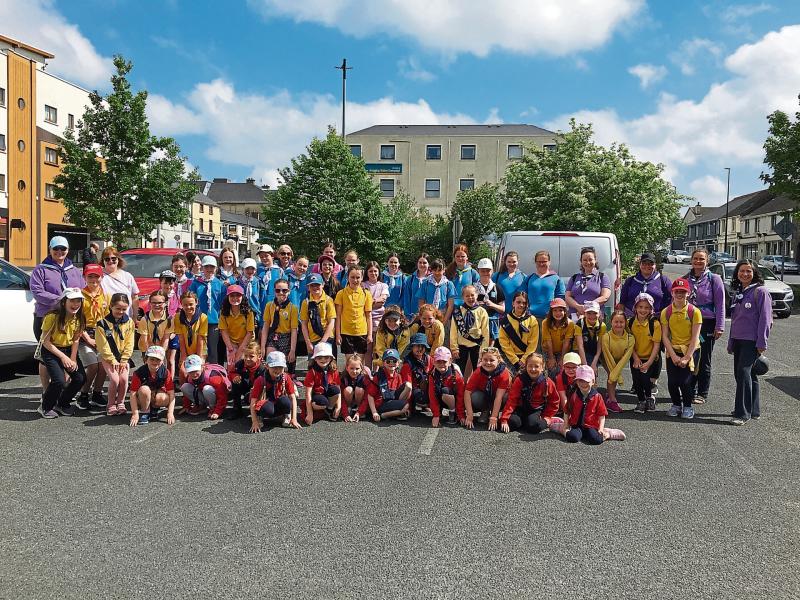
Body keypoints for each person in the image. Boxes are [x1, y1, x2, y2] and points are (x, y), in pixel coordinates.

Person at [30, 236, 86, 390]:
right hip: (46, 317)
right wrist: (61, 300)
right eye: (56, 248)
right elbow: (37, 292)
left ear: (68, 250)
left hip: (69, 319)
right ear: (50, 249)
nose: (59, 252)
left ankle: (60, 389)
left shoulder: (74, 270)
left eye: (63, 249)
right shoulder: (40, 269)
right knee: (46, 357)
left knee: (66, 351)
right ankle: (46, 391)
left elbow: (82, 291)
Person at [727, 259, 773, 426]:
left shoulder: (760, 292)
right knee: (747, 375)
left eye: (748, 271)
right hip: (738, 339)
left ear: (755, 274)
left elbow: (766, 319)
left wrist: (762, 343)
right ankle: (753, 410)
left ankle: (742, 414)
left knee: (743, 373)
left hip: (751, 341)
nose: (745, 274)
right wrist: (731, 342)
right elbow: (735, 320)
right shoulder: (740, 291)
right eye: (741, 271)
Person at [685, 248, 725, 405]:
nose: (698, 261)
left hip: (707, 323)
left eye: (702, 259)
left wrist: (719, 326)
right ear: (691, 260)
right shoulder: (686, 279)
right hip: (688, 322)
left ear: (707, 261)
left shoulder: (714, 279)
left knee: (704, 359)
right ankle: (690, 389)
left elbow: (720, 304)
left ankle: (702, 392)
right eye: (695, 258)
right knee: (690, 356)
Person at [37, 287, 86, 418]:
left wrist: (73, 359)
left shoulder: (80, 318)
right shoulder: (52, 317)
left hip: (69, 349)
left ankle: (62, 403)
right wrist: (64, 357)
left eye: (78, 301)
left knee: (80, 378)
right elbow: (45, 342)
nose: (76, 304)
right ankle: (45, 407)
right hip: (51, 350)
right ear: (64, 302)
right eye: (72, 301)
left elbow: (76, 340)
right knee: (59, 381)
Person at [660, 278, 703, 419]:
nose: (680, 294)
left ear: (688, 293)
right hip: (673, 350)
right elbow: (665, 336)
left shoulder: (694, 312)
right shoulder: (666, 312)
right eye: (677, 291)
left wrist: (686, 357)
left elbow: (695, 337)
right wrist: (673, 355)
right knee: (672, 382)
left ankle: (688, 406)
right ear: (672, 293)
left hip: (690, 350)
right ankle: (676, 404)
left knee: (685, 382)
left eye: (683, 292)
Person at [556, 365, 625, 444]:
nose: (584, 384)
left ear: (593, 381)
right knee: (572, 437)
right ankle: (561, 428)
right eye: (580, 381)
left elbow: (601, 415)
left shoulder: (597, 396)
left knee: (596, 440)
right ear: (576, 382)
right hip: (576, 425)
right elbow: (567, 411)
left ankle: (608, 433)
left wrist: (601, 429)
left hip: (591, 425)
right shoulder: (574, 394)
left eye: (587, 381)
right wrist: (566, 425)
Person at [76, 264, 109, 411]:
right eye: (90, 276)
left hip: (101, 334)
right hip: (85, 334)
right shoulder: (80, 296)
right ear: (84, 277)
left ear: (101, 277)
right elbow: (77, 321)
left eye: (96, 276)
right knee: (93, 365)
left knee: (103, 365)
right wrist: (88, 339)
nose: (93, 279)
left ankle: (97, 393)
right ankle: (83, 393)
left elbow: (109, 319)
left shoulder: (106, 295)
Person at [96, 293, 136, 415]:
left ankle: (121, 402)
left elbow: (130, 342)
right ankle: (111, 404)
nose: (120, 311)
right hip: (108, 358)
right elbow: (102, 345)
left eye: (124, 309)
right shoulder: (102, 324)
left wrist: (124, 359)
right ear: (111, 306)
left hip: (123, 357)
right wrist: (112, 360)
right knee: (114, 379)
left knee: (124, 379)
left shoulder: (129, 322)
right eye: (118, 308)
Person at [500, 353, 560, 434]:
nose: (533, 369)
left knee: (533, 427)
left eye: (536, 366)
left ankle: (550, 421)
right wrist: (504, 419)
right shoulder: (520, 380)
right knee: (511, 423)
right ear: (526, 366)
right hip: (520, 408)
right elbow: (512, 400)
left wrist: (547, 417)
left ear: (542, 367)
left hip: (535, 410)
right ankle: (524, 422)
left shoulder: (547, 382)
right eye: (530, 366)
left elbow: (554, 401)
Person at [249, 350, 301, 432]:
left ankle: (286, 415)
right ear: (267, 366)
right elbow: (253, 402)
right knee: (268, 410)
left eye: (280, 367)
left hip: (278, 401)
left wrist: (294, 418)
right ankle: (259, 417)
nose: (277, 370)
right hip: (266, 403)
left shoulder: (286, 377)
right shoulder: (260, 380)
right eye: (274, 367)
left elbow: (293, 398)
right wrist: (254, 422)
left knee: (286, 401)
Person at [628, 293, 662, 413]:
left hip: (650, 357)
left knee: (646, 381)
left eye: (647, 307)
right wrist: (636, 358)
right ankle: (641, 400)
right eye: (640, 307)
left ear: (651, 309)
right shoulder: (630, 322)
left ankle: (649, 398)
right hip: (635, 356)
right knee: (636, 381)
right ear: (635, 307)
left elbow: (656, 345)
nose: (643, 310)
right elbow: (629, 343)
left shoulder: (655, 324)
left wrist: (649, 362)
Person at [463, 346, 511, 431]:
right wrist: (469, 415)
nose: (488, 363)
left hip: (498, 397)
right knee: (474, 396)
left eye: (492, 360)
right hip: (484, 396)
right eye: (485, 360)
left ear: (498, 360)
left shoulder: (504, 373)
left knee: (506, 396)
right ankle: (485, 410)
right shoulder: (478, 372)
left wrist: (493, 418)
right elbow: (467, 392)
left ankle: (494, 412)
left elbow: (498, 397)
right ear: (481, 360)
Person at [190, 256, 225, 364]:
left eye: (212, 267)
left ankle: (213, 374)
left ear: (216, 268)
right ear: (202, 268)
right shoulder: (196, 283)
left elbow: (223, 304)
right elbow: (191, 299)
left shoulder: (220, 284)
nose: (209, 269)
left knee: (212, 349)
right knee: (198, 347)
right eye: (206, 267)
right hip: (198, 320)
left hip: (214, 322)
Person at [128, 346, 175, 426]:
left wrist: (170, 413)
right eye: (152, 359)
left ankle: (154, 409)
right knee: (144, 389)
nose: (155, 362)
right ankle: (145, 411)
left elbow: (171, 393)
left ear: (162, 361)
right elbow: (132, 394)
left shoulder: (165, 372)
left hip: (156, 395)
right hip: (142, 397)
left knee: (163, 397)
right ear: (146, 360)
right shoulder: (139, 373)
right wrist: (135, 414)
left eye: (158, 359)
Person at [449, 285, 490, 377]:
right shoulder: (457, 312)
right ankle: (459, 389)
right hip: (461, 346)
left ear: (476, 295)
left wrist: (483, 350)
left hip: (477, 346)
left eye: (472, 295)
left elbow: (485, 332)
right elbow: (453, 331)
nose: (470, 298)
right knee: (459, 371)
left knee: (479, 371)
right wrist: (454, 348)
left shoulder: (482, 311)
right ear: (463, 297)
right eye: (467, 296)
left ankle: (477, 389)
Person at [335, 266, 373, 361]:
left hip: (361, 331)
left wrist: (369, 334)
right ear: (348, 277)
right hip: (346, 332)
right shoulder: (341, 293)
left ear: (362, 278)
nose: (355, 280)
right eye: (352, 277)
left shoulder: (366, 294)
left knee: (359, 362)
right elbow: (338, 316)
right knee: (349, 361)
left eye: (358, 277)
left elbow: (369, 316)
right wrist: (338, 334)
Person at [362, 348, 412, 421]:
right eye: (388, 361)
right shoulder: (379, 377)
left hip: (391, 400)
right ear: (383, 363)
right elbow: (370, 396)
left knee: (408, 385)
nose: (391, 363)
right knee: (405, 405)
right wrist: (374, 412)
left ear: (398, 363)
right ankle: (384, 415)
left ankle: (398, 410)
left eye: (394, 361)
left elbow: (399, 393)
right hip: (381, 403)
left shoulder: (398, 376)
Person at [261, 279, 299, 375]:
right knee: (271, 363)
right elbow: (265, 327)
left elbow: (294, 330)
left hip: (286, 338)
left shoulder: (293, 308)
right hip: (273, 336)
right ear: (274, 291)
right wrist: (262, 347)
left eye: (284, 290)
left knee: (284, 369)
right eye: (278, 290)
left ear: (289, 291)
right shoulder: (269, 306)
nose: (281, 293)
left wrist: (293, 350)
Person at [617, 252, 672, 317]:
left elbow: (671, 302)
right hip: (632, 320)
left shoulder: (663, 281)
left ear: (655, 265)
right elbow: (622, 303)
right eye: (644, 263)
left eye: (650, 264)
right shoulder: (630, 281)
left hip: (656, 321)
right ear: (640, 265)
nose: (647, 266)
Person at [497, 290, 539, 375]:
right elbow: (504, 343)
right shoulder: (506, 320)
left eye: (524, 303)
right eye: (518, 302)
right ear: (513, 303)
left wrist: (524, 360)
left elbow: (533, 343)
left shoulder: (532, 320)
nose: (521, 305)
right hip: (509, 357)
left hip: (527, 357)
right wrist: (515, 360)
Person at [601, 310, 635, 413]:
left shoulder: (630, 338)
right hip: (607, 359)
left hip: (620, 361)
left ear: (625, 323)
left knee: (614, 375)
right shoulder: (606, 337)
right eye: (616, 322)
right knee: (612, 376)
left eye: (621, 322)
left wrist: (617, 373)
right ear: (611, 322)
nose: (619, 324)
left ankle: (610, 395)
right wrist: (617, 376)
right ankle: (612, 400)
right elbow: (608, 357)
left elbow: (625, 358)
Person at [565, 247, 611, 321]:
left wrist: (587, 307)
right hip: (574, 317)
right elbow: (567, 297)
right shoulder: (574, 277)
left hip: (594, 318)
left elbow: (605, 297)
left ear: (595, 260)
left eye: (590, 259)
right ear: (581, 261)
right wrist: (578, 307)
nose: (588, 262)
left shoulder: (602, 277)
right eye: (585, 260)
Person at [180, 354, 230, 420]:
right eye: (191, 371)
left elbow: (223, 395)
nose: (194, 374)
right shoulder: (189, 378)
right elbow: (186, 395)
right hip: (205, 394)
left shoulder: (212, 376)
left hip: (219, 395)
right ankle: (201, 406)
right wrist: (186, 406)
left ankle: (213, 408)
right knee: (184, 386)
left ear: (202, 367)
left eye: (196, 370)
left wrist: (218, 411)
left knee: (207, 389)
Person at [302, 342, 342, 425]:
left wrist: (338, 407)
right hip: (317, 395)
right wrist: (310, 413)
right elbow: (308, 393)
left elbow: (338, 388)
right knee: (323, 402)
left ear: (331, 358)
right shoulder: (312, 372)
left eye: (326, 357)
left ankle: (329, 409)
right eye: (319, 357)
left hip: (328, 393)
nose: (323, 360)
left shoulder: (333, 370)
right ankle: (317, 407)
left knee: (336, 390)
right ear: (315, 359)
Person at [173, 291, 208, 383]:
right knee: (183, 371)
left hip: (200, 350)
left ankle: (199, 389)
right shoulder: (177, 317)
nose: (188, 307)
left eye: (191, 304)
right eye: (185, 305)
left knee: (198, 371)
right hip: (186, 349)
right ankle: (184, 392)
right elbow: (180, 338)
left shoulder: (203, 317)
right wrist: (184, 357)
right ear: (181, 304)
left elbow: (201, 339)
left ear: (196, 302)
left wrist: (199, 358)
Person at [300, 273, 337, 358]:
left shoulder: (328, 300)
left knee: (329, 365)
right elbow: (304, 324)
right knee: (313, 366)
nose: (315, 287)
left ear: (323, 285)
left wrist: (323, 341)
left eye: (317, 285)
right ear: (308, 287)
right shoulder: (306, 302)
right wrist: (308, 342)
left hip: (327, 338)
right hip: (312, 339)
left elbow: (331, 322)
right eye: (312, 285)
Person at [428, 346, 465, 428]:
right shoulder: (432, 374)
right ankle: (439, 412)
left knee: (445, 390)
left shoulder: (456, 375)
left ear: (450, 361)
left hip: (452, 399)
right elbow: (432, 395)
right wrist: (436, 415)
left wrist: (461, 415)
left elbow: (460, 396)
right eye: (438, 361)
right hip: (440, 398)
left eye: (444, 361)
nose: (441, 364)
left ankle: (453, 412)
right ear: (434, 362)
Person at [523, 250, 565, 322]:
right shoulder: (529, 278)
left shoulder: (556, 278)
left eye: (544, 261)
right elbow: (521, 296)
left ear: (549, 262)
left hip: (549, 318)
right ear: (535, 263)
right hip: (530, 318)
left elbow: (560, 298)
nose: (541, 264)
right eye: (539, 262)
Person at [219, 285, 255, 367]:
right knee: (231, 365)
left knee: (243, 364)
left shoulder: (248, 312)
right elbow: (223, 331)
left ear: (242, 297)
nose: (235, 298)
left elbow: (249, 333)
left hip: (246, 342)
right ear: (228, 297)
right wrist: (231, 350)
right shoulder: (224, 312)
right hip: (232, 342)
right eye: (232, 295)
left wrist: (240, 351)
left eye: (238, 295)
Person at [228, 341, 266, 419]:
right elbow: (231, 372)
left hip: (257, 390)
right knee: (235, 383)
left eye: (251, 356)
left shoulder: (262, 369)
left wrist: (255, 390)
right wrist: (235, 376)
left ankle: (257, 410)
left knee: (250, 397)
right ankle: (237, 410)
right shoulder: (240, 364)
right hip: (245, 386)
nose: (248, 359)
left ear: (259, 356)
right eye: (245, 356)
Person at [99, 247, 139, 319]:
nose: (110, 261)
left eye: (113, 258)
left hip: (126, 318)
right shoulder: (98, 277)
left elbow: (135, 297)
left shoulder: (127, 276)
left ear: (118, 259)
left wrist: (135, 317)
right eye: (107, 259)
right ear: (103, 261)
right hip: (106, 319)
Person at [363, 261, 389, 368]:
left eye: (375, 271)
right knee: (368, 348)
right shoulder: (362, 285)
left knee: (378, 347)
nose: (373, 273)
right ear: (366, 272)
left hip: (380, 319)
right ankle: (368, 370)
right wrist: (374, 302)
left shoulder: (383, 285)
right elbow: (363, 302)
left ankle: (377, 371)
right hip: (366, 319)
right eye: (370, 271)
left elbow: (383, 299)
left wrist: (370, 302)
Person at [137, 290, 172, 368]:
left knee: (160, 369)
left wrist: (161, 354)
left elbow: (166, 338)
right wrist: (148, 356)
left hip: (161, 347)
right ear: (150, 303)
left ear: (166, 303)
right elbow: (144, 339)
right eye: (154, 303)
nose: (157, 305)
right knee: (148, 369)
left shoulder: (169, 319)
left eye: (160, 303)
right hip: (147, 348)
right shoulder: (144, 319)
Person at [541, 298, 575, 375]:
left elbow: (566, 343)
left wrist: (562, 358)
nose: (558, 313)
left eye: (560, 310)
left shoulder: (570, 324)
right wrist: (551, 358)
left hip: (562, 350)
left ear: (565, 311)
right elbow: (548, 341)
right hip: (548, 350)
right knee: (551, 368)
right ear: (551, 312)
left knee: (561, 369)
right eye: (555, 310)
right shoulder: (545, 323)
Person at [416, 258, 456, 324]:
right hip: (428, 314)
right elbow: (421, 303)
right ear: (431, 270)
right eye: (435, 270)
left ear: (444, 270)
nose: (437, 273)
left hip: (443, 314)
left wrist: (444, 321)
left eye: (439, 270)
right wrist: (424, 317)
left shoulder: (449, 284)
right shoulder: (425, 283)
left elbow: (450, 305)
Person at [475, 258, 505, 344]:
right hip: (477, 323)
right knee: (476, 350)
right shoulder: (473, 288)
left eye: (488, 271)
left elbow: (503, 309)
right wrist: (476, 305)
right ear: (478, 271)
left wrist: (492, 305)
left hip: (492, 323)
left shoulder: (497, 288)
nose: (485, 273)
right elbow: (467, 306)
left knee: (489, 350)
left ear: (492, 271)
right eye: (482, 271)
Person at [401, 333, 433, 412]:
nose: (420, 349)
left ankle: (428, 405)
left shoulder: (429, 359)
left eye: (422, 346)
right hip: (414, 390)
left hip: (426, 388)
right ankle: (411, 406)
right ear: (412, 347)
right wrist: (408, 407)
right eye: (417, 346)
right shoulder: (407, 364)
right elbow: (407, 386)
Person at [574, 301, 606, 377]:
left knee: (593, 370)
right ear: (584, 313)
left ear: (599, 313)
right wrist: (585, 365)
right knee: (585, 371)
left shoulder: (602, 325)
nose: (592, 316)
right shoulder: (579, 324)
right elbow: (580, 346)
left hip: (593, 350)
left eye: (595, 313)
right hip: (580, 350)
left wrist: (594, 363)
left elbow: (599, 346)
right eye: (589, 313)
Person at [445, 244, 479, 310]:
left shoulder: (473, 273)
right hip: (451, 307)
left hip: (467, 306)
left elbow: (478, 290)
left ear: (467, 257)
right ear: (454, 257)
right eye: (457, 256)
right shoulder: (448, 272)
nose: (460, 258)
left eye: (463, 256)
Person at [238, 258, 266, 334]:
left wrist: (262, 321)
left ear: (255, 270)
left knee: (254, 342)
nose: (250, 271)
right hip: (241, 314)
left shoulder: (259, 282)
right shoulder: (238, 282)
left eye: (252, 269)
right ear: (243, 269)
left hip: (255, 315)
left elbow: (262, 301)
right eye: (247, 268)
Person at [341, 354, 370, 423]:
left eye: (357, 369)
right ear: (347, 367)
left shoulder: (365, 379)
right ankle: (349, 409)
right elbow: (341, 398)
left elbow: (367, 398)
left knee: (359, 389)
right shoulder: (343, 378)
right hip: (348, 401)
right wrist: (345, 414)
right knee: (348, 389)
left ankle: (358, 409)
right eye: (351, 368)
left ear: (361, 369)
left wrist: (359, 412)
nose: (354, 371)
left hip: (360, 402)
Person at [402, 253, 430, 320]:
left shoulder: (432, 279)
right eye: (420, 262)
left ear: (429, 264)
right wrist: (407, 315)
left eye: (424, 263)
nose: (422, 265)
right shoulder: (410, 279)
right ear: (417, 263)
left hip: (428, 316)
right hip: (413, 315)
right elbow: (407, 298)